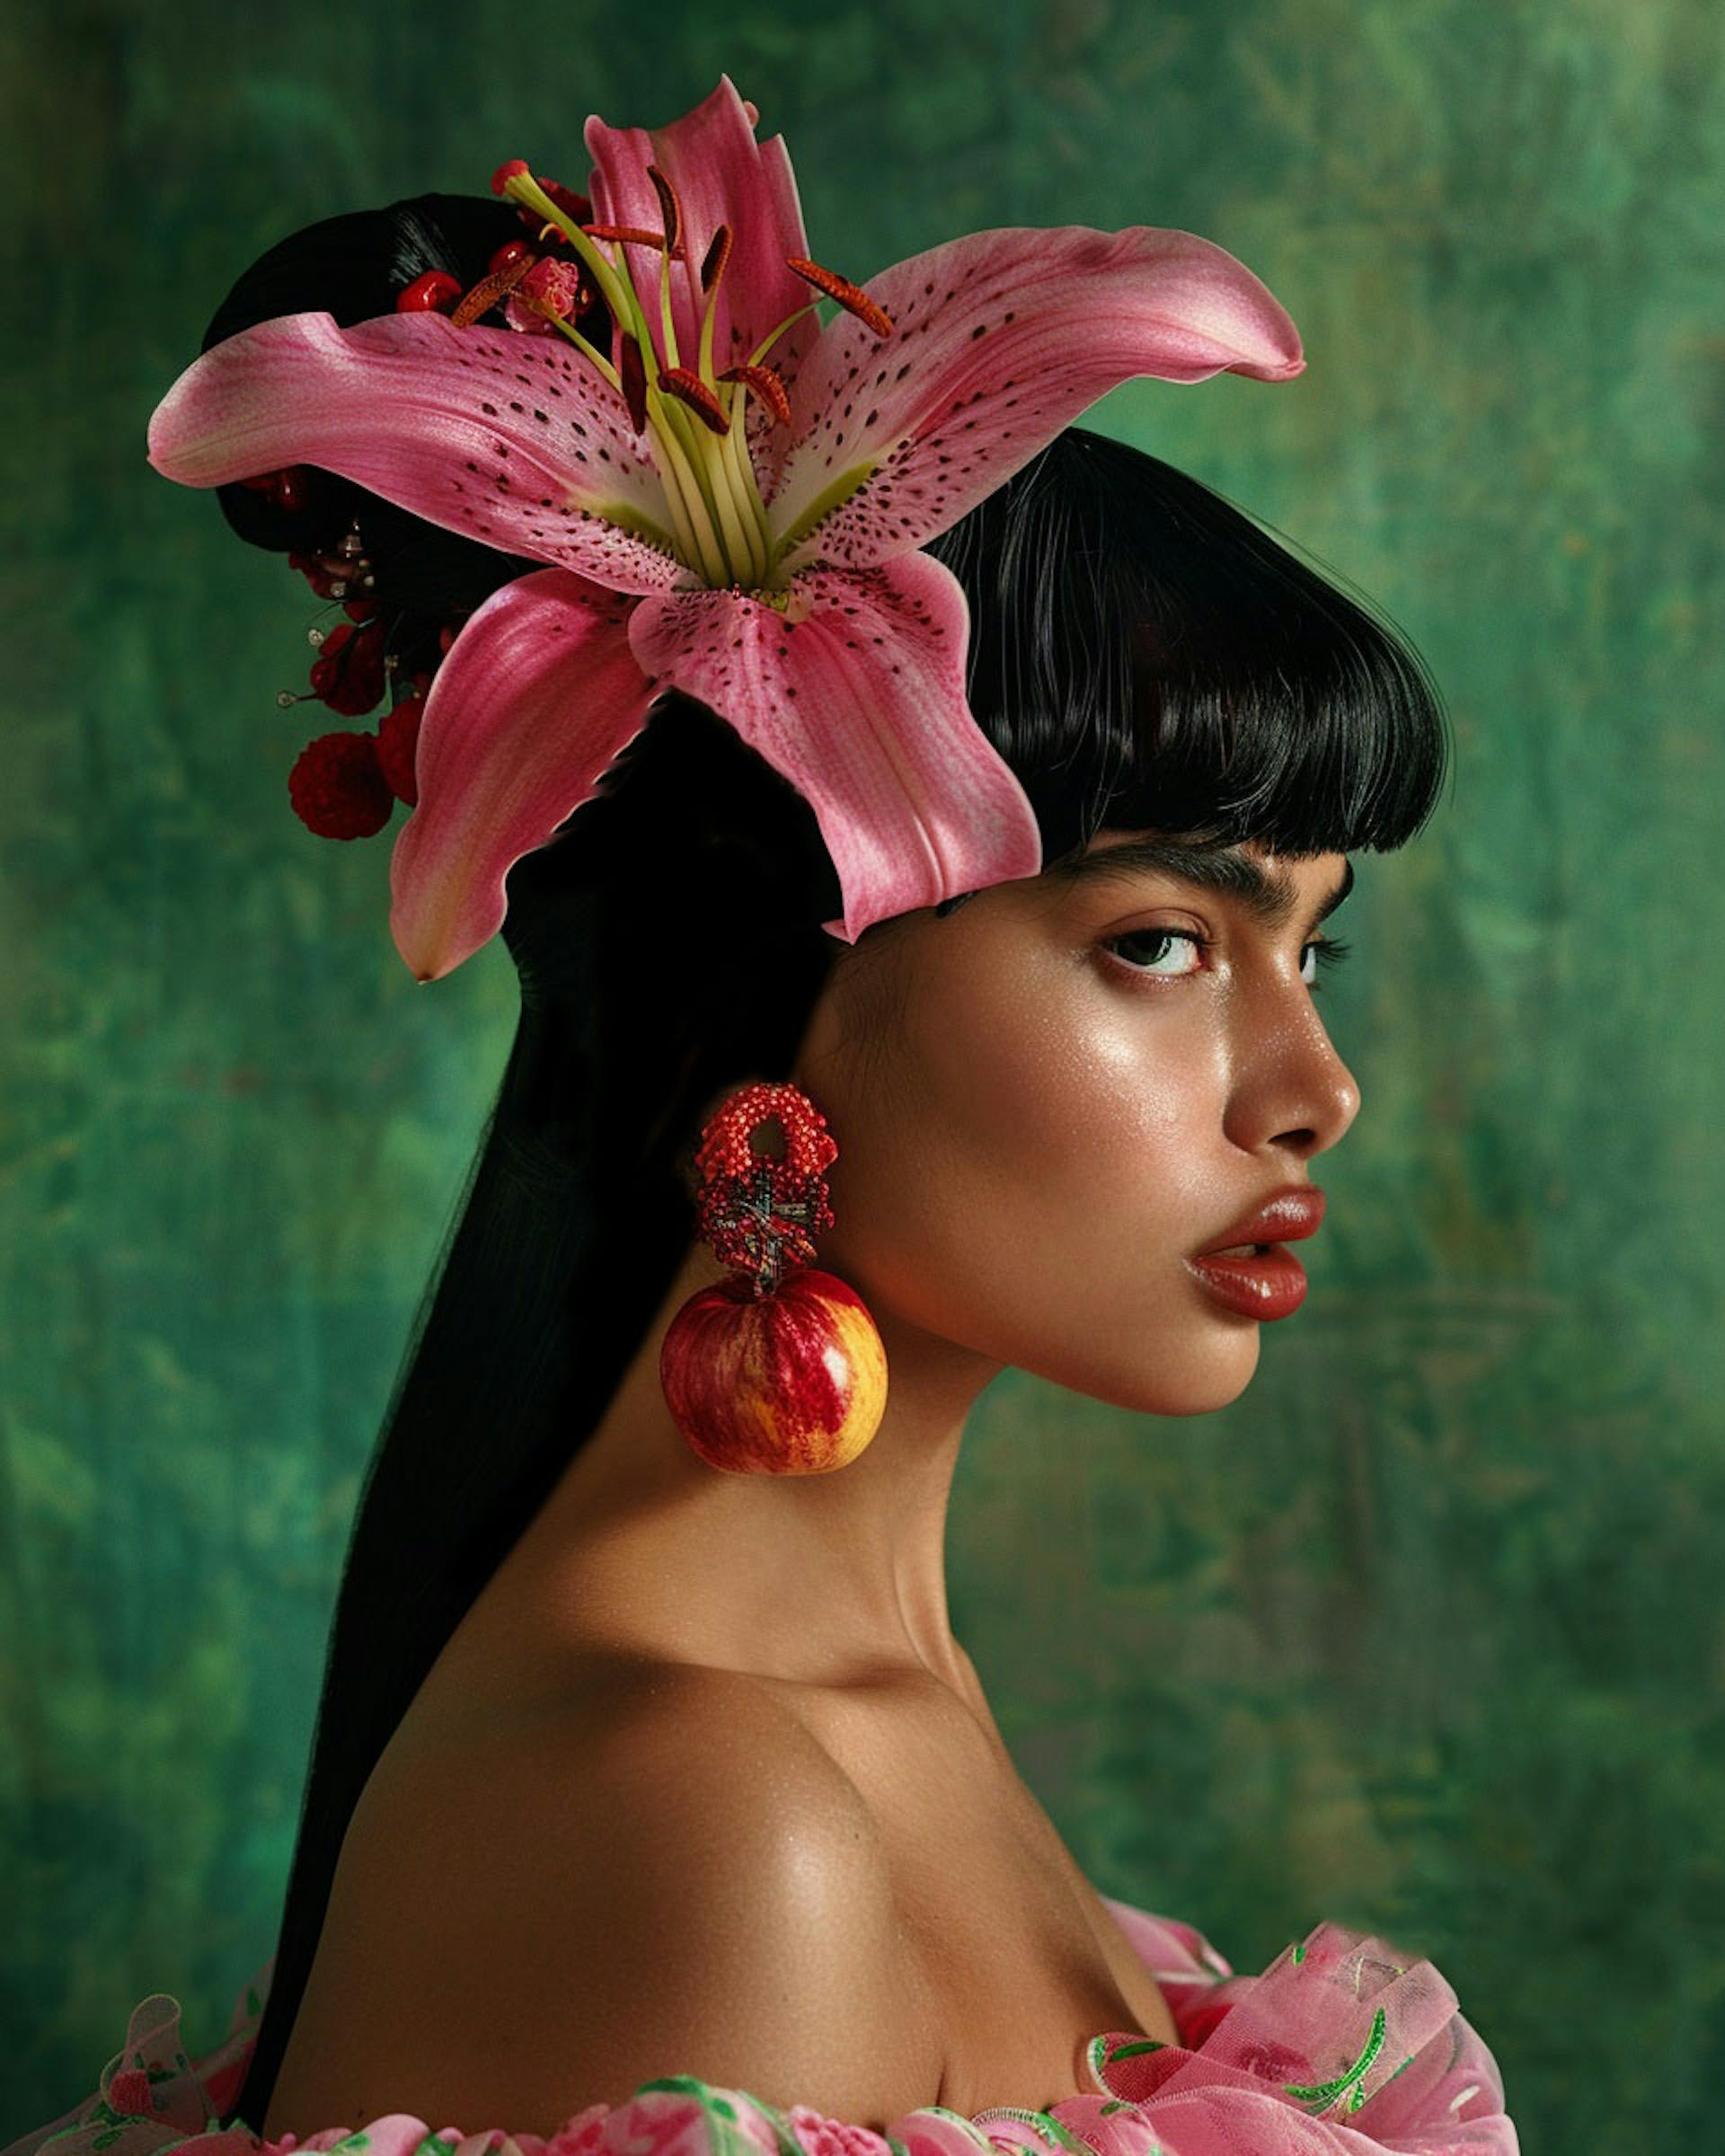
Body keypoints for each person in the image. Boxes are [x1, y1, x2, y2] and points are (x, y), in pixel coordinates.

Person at [4, 76, 1518, 2156]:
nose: (1314, 1091)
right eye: (1164, 942)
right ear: (785, 975)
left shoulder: (854, 1723)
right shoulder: (712, 1820)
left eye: (1313, 952)